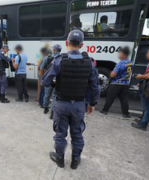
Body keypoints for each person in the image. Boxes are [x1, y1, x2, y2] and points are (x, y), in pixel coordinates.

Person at [42, 30, 100, 170]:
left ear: (67, 43)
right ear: (81, 45)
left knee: (60, 134)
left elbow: (45, 81)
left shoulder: (59, 60)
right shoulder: (89, 62)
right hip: (79, 105)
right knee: (77, 134)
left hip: (61, 104)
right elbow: (95, 87)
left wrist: (56, 83)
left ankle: (60, 159)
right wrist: (92, 104)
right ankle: (75, 161)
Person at [100, 46, 133, 118]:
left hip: (116, 83)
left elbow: (113, 74)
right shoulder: (130, 63)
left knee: (110, 98)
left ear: (124, 54)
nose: (118, 55)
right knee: (124, 99)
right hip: (125, 84)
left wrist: (111, 73)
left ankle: (105, 110)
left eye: (120, 53)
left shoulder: (120, 64)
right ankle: (126, 114)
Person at [41, 44, 62, 114]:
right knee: (54, 96)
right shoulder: (61, 58)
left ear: (54, 50)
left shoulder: (47, 58)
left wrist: (43, 77)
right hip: (57, 80)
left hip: (48, 79)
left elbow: (41, 68)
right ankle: (52, 113)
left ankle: (45, 109)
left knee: (46, 95)